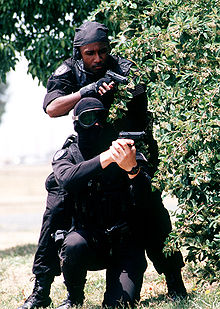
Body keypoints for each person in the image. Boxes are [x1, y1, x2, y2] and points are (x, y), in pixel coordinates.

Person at [17, 21, 186, 309]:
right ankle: (41, 290)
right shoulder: (69, 70)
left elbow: (142, 114)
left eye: (102, 52)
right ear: (78, 52)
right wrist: (87, 91)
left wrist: (133, 158)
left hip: (128, 142)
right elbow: (51, 108)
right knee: (57, 201)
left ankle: (174, 281)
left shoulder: (124, 69)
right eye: (89, 53)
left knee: (149, 205)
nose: (97, 58)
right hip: (88, 144)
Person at [53, 97, 148, 308]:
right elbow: (67, 179)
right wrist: (106, 158)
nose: (96, 123)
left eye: (101, 117)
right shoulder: (68, 154)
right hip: (89, 241)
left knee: (119, 305)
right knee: (73, 244)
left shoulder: (125, 149)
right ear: (77, 123)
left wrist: (132, 169)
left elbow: (146, 197)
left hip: (124, 243)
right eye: (88, 117)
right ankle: (74, 297)